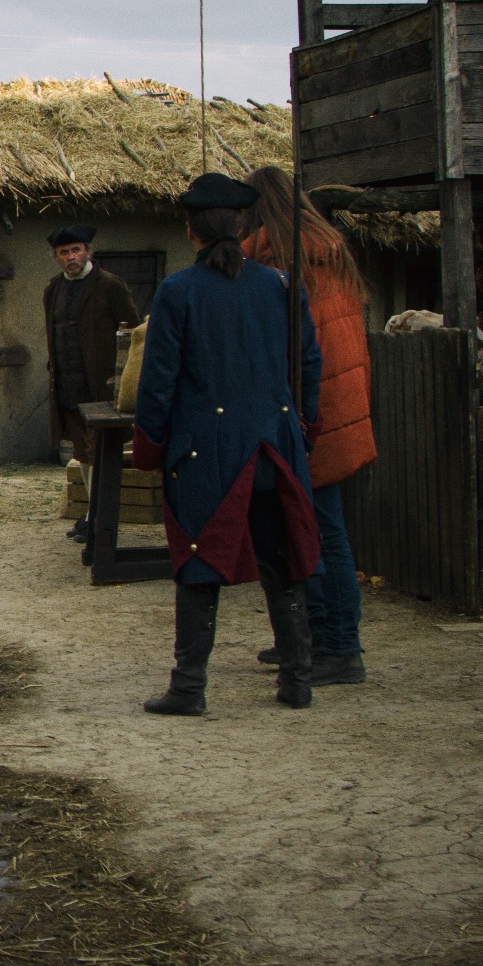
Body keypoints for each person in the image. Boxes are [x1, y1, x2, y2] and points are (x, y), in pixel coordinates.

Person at [130, 173, 323, 715]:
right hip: (275, 447)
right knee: (282, 562)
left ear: (191, 230)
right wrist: (305, 429)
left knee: (199, 561)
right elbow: (309, 364)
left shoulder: (177, 291)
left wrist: (150, 445)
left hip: (205, 454)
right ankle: (297, 681)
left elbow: (157, 381)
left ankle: (189, 688)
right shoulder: (282, 286)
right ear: (241, 227)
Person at [243, 165, 376, 688]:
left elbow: (286, 349)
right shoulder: (326, 255)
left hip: (311, 413)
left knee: (319, 530)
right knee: (312, 527)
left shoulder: (281, 263)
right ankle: (306, 638)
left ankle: (338, 647)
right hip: (338, 407)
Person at [42, 226, 139, 543]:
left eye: (76, 250)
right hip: (67, 385)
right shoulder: (53, 289)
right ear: (56, 257)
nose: (71, 257)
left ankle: (100, 518)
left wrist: (124, 378)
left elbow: (133, 332)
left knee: (99, 451)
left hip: (100, 385)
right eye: (64, 252)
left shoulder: (110, 285)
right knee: (82, 452)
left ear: (88, 252)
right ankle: (91, 514)